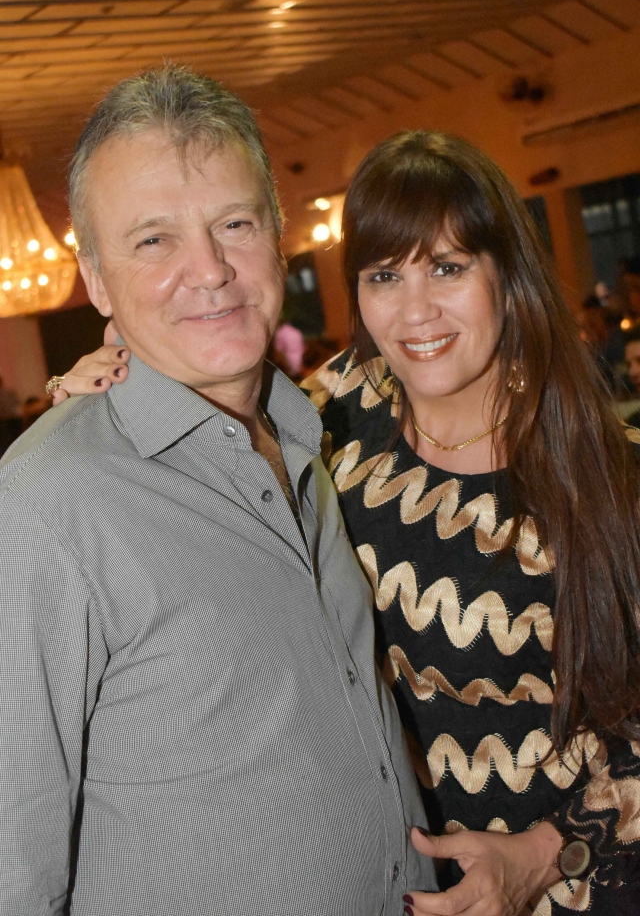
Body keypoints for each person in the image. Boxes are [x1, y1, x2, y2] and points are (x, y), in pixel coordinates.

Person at [54, 131, 640, 915]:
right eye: (385, 274)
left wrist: (541, 854)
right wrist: (107, 378)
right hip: (394, 884)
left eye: (448, 267)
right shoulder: (328, 419)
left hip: (580, 884)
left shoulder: (611, 478)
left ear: (508, 276)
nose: (416, 310)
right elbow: (198, 397)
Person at [0, 67, 438, 916]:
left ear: (277, 237)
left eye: (234, 224)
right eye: (153, 240)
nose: (209, 270)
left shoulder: (318, 434)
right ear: (96, 278)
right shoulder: (46, 510)